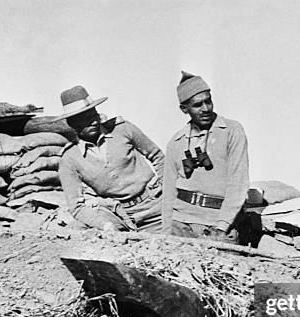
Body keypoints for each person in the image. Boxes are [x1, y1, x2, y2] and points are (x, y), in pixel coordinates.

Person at [54, 85, 164, 232]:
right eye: (84, 119)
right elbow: (76, 207)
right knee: (77, 230)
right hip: (118, 216)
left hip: (154, 206)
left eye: (93, 115)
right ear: (71, 124)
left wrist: (167, 191)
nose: (93, 122)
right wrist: (105, 225)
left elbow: (158, 157)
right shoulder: (69, 158)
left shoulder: (122, 130)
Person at [162, 71, 249, 244]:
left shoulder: (232, 131)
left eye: (208, 101)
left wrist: (222, 227)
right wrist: (166, 233)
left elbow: (238, 183)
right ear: (184, 109)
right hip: (181, 224)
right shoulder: (176, 142)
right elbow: (169, 191)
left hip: (217, 225)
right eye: (197, 105)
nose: (206, 109)